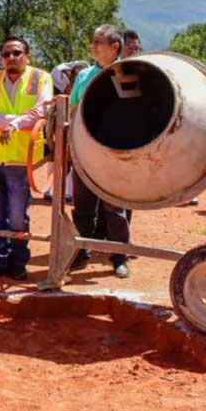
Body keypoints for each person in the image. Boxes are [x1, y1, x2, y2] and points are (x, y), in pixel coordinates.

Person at [0, 37, 52, 281]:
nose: (11, 57)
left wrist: (14, 123)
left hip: (21, 158)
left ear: (27, 56)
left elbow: (41, 110)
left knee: (18, 214)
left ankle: (19, 262)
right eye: (6, 54)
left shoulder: (41, 78)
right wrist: (13, 121)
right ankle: (0, 260)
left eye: (17, 53)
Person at [69, 24, 131, 278]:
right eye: (92, 41)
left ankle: (119, 257)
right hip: (85, 152)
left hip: (115, 154)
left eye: (99, 41)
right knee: (83, 206)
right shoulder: (84, 76)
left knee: (114, 208)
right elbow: (73, 109)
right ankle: (80, 252)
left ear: (115, 46)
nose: (93, 46)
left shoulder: (127, 73)